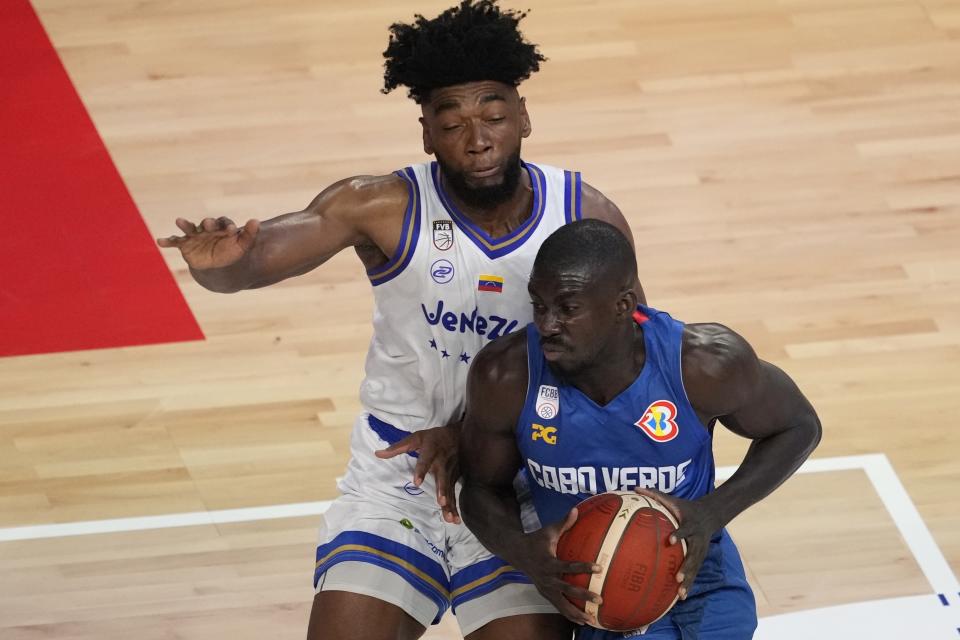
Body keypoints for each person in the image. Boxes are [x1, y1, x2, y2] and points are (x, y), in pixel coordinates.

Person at [157, 2, 643, 638]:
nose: (478, 139)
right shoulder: (380, 205)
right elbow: (255, 261)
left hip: (517, 481)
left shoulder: (586, 215)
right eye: (453, 123)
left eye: (495, 116)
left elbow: (630, 358)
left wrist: (473, 435)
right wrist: (218, 266)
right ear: (426, 133)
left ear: (523, 116)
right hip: (397, 473)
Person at [459, 219, 822, 639]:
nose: (547, 324)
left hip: (700, 570)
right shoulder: (506, 376)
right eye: (539, 306)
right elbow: (481, 488)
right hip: (597, 587)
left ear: (622, 304)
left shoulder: (701, 365)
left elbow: (799, 427)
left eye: (568, 308)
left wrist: (712, 513)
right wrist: (523, 551)